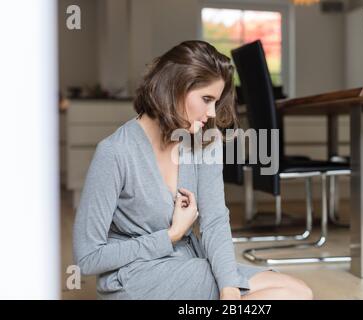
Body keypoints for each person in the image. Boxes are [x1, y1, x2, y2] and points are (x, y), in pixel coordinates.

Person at [72, 40, 313, 300]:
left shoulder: (204, 143)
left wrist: (229, 288)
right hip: (136, 277)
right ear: (175, 87)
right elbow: (88, 258)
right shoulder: (115, 152)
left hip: (190, 263)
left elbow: (215, 222)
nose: (211, 113)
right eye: (206, 99)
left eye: (216, 101)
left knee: (299, 291)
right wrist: (171, 235)